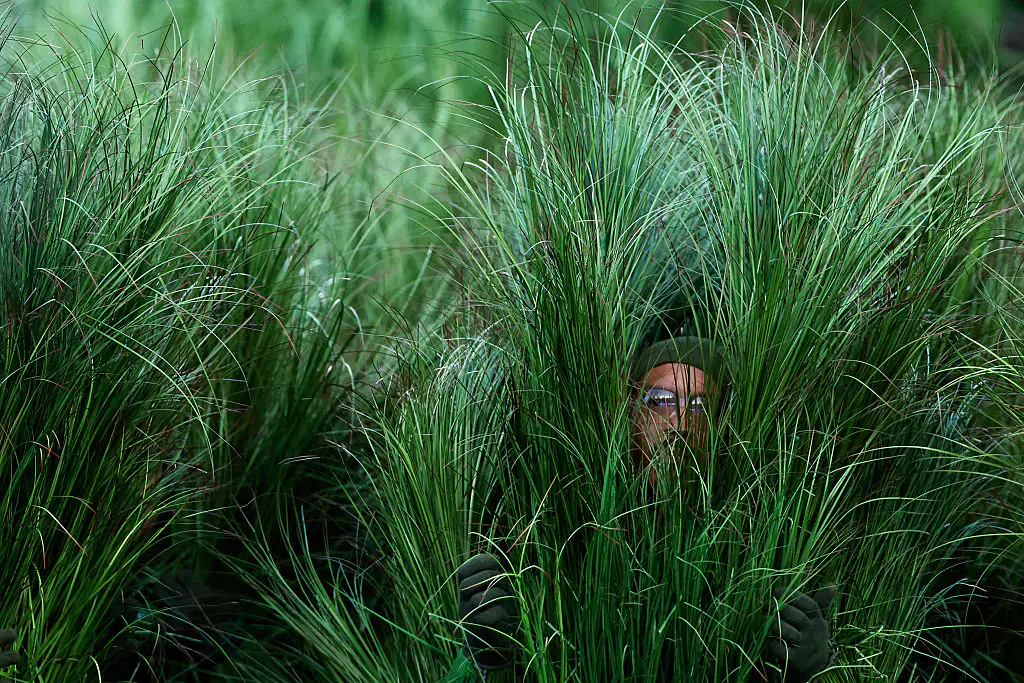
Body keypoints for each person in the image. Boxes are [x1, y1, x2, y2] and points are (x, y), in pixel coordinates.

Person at [442, 336, 837, 682]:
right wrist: (482, 658)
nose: (680, 423)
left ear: (724, 425)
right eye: (661, 401)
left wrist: (818, 669)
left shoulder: (768, 554)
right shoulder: (566, 543)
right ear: (631, 416)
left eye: (699, 405)